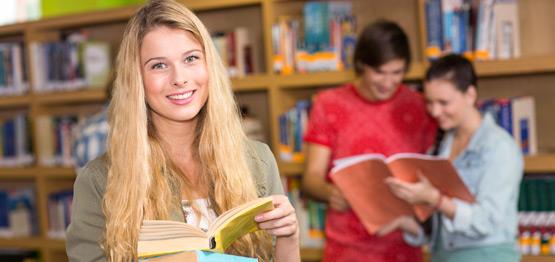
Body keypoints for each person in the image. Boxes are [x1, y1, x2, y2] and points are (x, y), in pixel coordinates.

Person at [65, 0, 300, 261]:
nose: (179, 78)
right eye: (159, 65)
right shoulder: (100, 181)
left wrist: (289, 236)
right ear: (137, 79)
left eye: (191, 58)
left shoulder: (258, 161)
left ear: (209, 65)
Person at [302, 20, 437, 262]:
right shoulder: (329, 104)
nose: (388, 83)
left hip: (405, 244)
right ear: (362, 65)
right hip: (347, 247)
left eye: (397, 73)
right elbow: (311, 178)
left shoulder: (420, 106)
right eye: (379, 72)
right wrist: (330, 192)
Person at [382, 54, 523, 262]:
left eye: (444, 102)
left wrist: (436, 200)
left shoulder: (500, 148)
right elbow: (439, 232)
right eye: (429, 102)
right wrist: (403, 221)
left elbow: (487, 222)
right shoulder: (440, 146)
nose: (435, 111)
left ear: (470, 95)